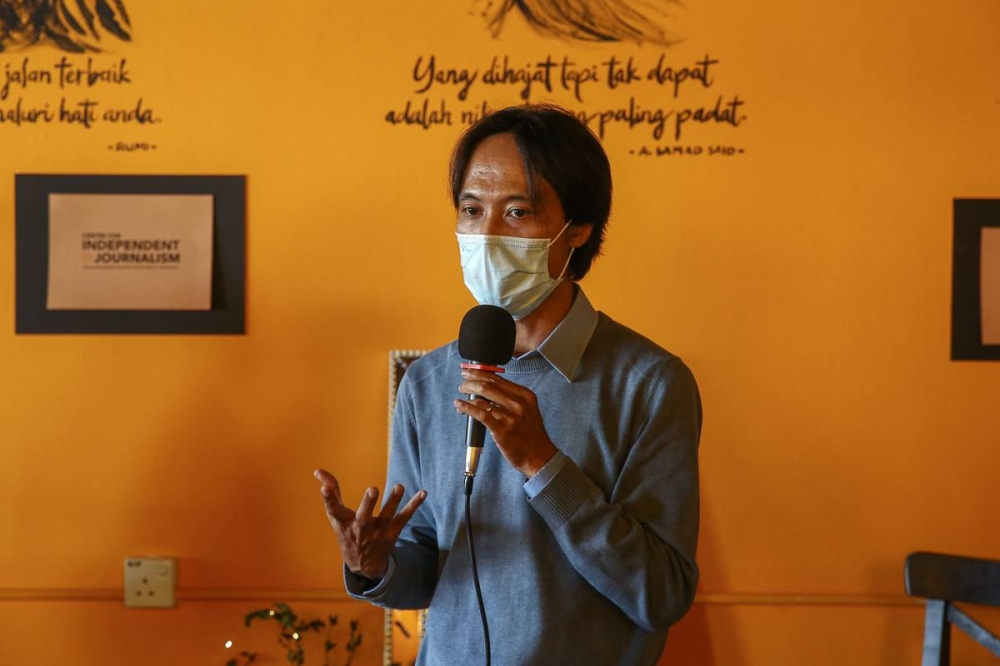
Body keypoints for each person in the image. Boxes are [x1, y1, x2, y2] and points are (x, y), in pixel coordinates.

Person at [315, 104, 701, 665]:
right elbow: (425, 567)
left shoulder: (650, 383)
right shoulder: (427, 382)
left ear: (581, 228)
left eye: (517, 211)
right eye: (472, 210)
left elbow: (660, 593)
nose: (488, 233)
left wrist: (545, 466)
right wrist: (373, 565)